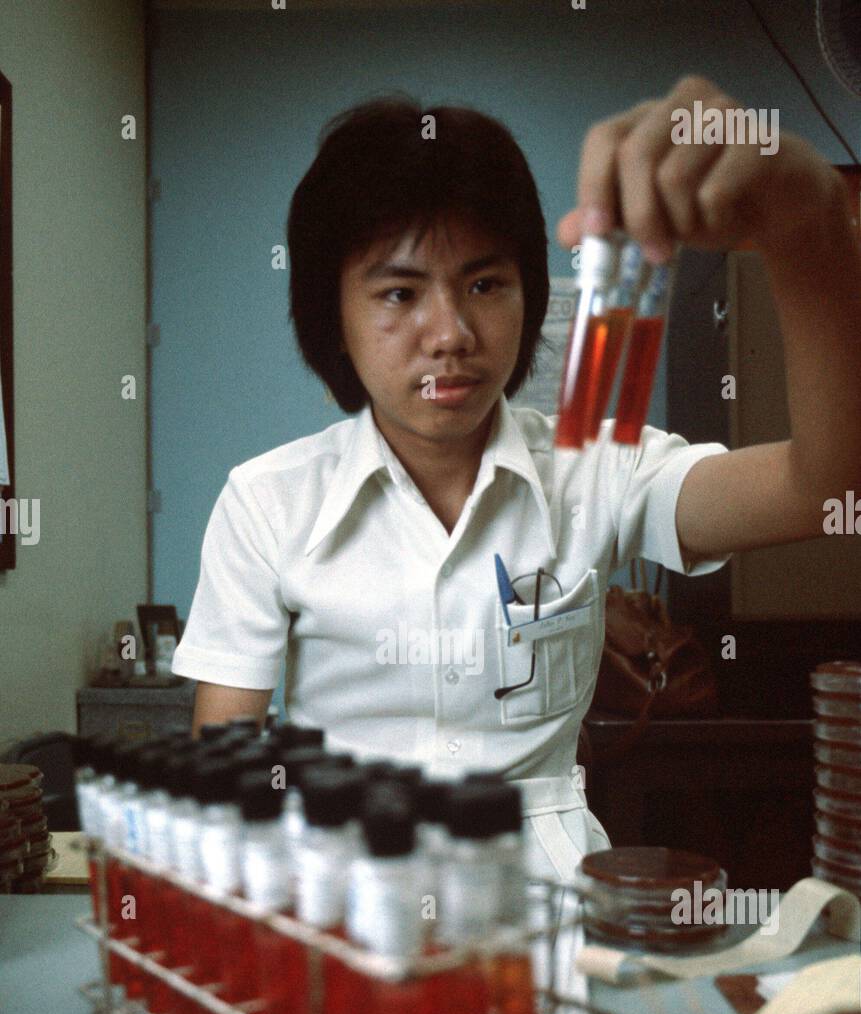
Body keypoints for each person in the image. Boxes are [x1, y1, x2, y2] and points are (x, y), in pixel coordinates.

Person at [172, 78, 861, 882]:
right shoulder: (267, 501)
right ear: (335, 323)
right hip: (344, 909)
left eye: (483, 284)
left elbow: (824, 490)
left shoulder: (598, 470)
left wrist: (809, 224)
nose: (451, 335)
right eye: (399, 293)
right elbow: (225, 767)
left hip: (553, 918)